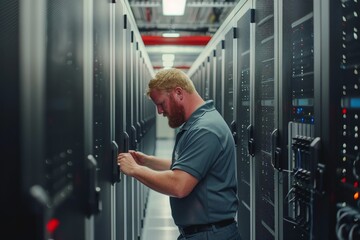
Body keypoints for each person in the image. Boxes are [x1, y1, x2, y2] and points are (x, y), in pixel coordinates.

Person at [117, 68, 241, 240]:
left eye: (161, 103)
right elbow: (188, 166)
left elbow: (179, 185)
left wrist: (134, 170)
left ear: (178, 93)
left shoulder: (204, 129)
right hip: (203, 232)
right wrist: (147, 161)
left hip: (210, 235)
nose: (160, 111)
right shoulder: (199, 123)